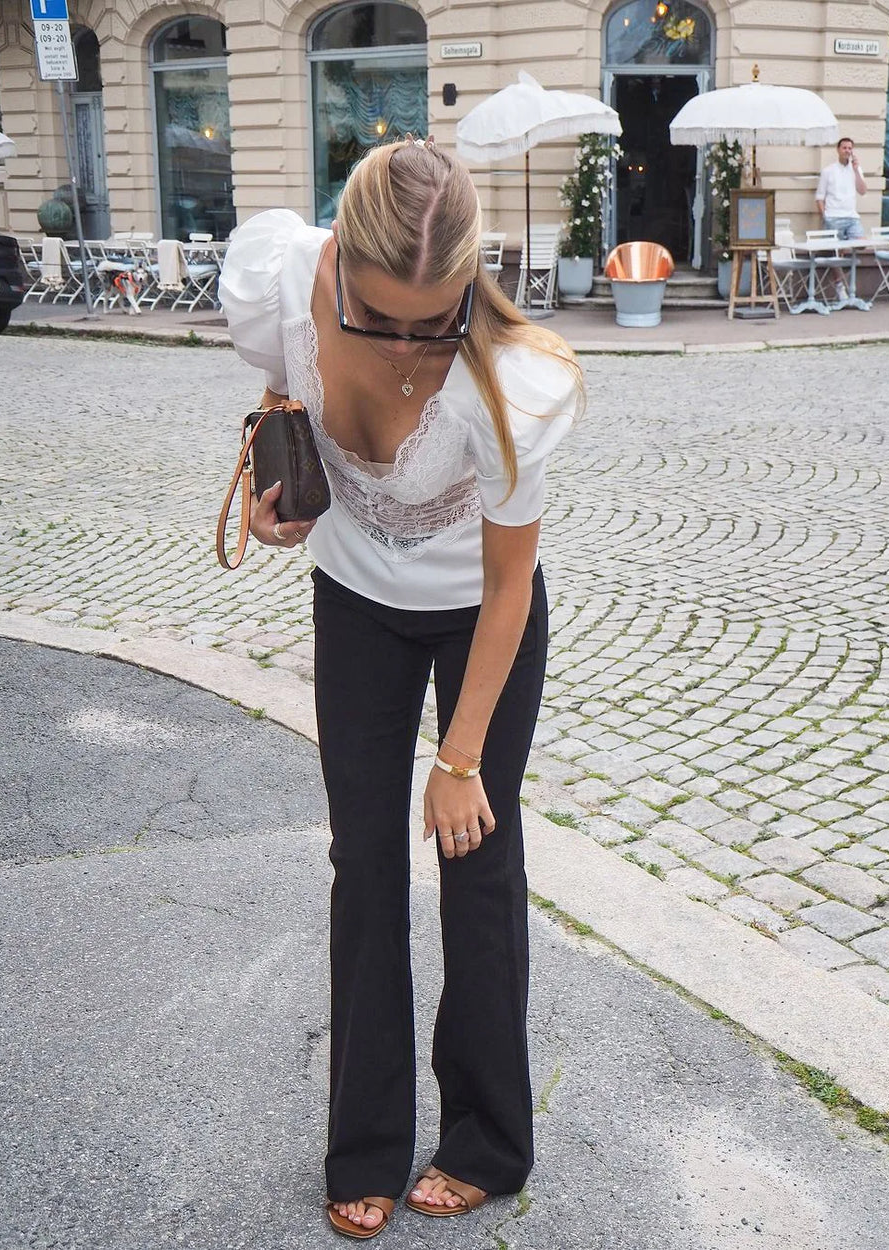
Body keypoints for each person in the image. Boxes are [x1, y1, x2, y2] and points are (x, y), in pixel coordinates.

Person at [218, 137, 583, 1242]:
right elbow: (279, 386)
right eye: (380, 318)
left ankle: (486, 1139)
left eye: (438, 320)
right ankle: (366, 1141)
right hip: (356, 599)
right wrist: (267, 480)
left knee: (478, 859)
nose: (411, 345)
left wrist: (459, 759)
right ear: (336, 269)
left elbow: (510, 581)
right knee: (362, 861)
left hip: (483, 612)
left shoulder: (511, 378)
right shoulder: (283, 280)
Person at [815, 136, 868, 240]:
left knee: (861, 243)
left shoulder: (856, 169)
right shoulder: (828, 171)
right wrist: (825, 216)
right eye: (844, 148)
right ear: (838, 149)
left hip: (852, 217)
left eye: (849, 148)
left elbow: (862, 191)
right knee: (835, 249)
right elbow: (819, 197)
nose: (847, 151)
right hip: (833, 217)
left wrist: (856, 170)